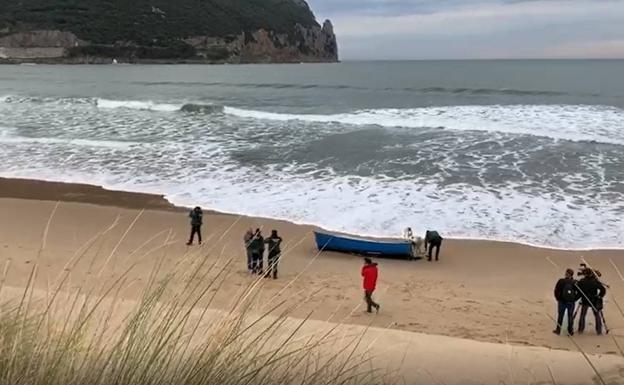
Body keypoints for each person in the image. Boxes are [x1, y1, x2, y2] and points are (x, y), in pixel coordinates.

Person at [577, 268, 607, 335]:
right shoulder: (595, 281)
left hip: (585, 300)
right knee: (597, 315)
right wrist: (599, 296)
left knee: (582, 315)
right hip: (594, 300)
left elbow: (578, 289)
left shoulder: (582, 281)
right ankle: (599, 331)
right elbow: (603, 289)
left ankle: (580, 330)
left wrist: (581, 296)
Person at [553, 268, 578, 336]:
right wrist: (575, 299)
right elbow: (579, 292)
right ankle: (570, 331)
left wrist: (558, 298)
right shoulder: (575, 282)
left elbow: (556, 290)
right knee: (570, 316)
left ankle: (558, 330)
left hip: (562, 301)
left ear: (566, 274)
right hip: (571, 302)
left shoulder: (561, 281)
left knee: (560, 316)